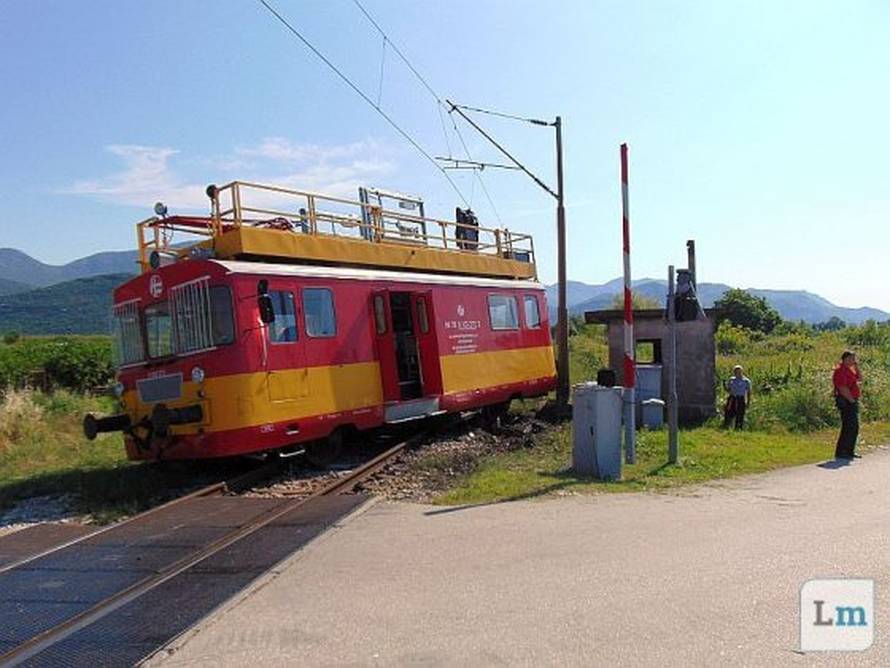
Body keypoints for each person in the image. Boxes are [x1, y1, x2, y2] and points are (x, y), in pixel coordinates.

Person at [833, 350, 862, 459]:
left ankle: (850, 450)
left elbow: (860, 379)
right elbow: (842, 388)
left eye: (854, 359)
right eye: (850, 358)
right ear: (844, 359)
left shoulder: (850, 370)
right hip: (846, 401)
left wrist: (856, 367)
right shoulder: (840, 371)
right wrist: (851, 400)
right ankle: (842, 451)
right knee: (848, 426)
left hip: (852, 400)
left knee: (854, 427)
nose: (852, 361)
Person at [723, 365, 752, 429]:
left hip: (740, 398)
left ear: (742, 372)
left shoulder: (746, 381)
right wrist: (725, 386)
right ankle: (727, 425)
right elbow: (729, 390)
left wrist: (748, 401)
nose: (737, 373)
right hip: (732, 398)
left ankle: (739, 427)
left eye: (739, 372)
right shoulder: (731, 380)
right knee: (729, 411)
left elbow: (749, 392)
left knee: (740, 413)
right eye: (735, 372)